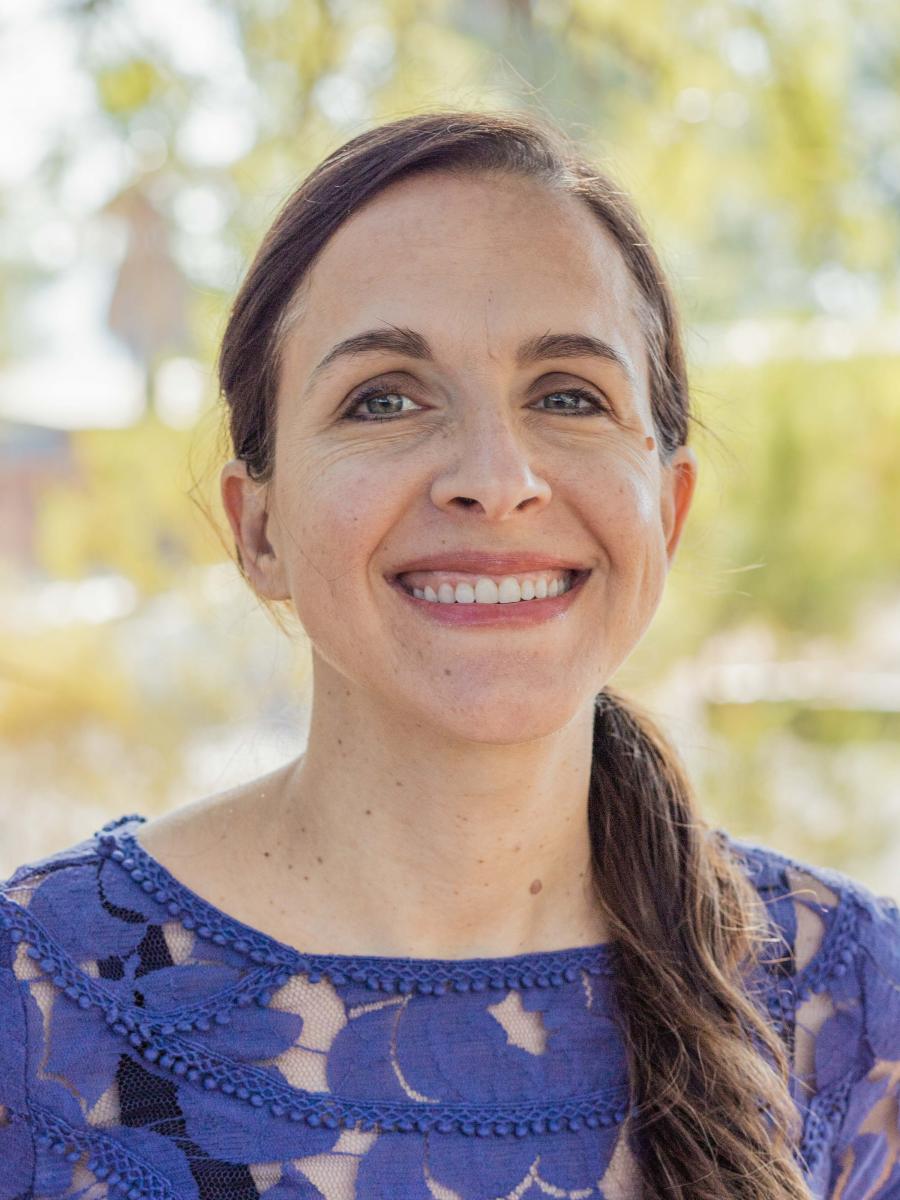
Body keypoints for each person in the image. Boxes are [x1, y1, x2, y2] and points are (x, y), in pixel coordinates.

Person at [1, 109, 897, 1200]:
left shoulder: (854, 1008)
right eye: (384, 397)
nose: (497, 474)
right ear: (258, 528)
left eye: (569, 395)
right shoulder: (29, 1005)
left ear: (669, 509)